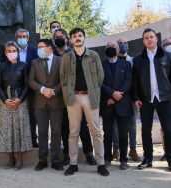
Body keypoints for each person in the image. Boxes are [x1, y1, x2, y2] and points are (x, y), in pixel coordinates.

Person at [60, 27, 109, 176]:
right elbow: (63, 78)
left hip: (90, 97)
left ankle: (100, 163)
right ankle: (73, 163)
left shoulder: (93, 55)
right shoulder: (67, 57)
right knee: (73, 132)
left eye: (80, 35)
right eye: (74, 36)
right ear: (71, 39)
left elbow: (100, 77)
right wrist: (68, 95)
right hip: (73, 98)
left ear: (84, 38)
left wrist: (93, 91)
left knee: (96, 131)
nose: (77, 38)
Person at [53, 28, 96, 166]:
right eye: (56, 37)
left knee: (83, 125)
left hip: (77, 95)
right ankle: (67, 154)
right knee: (66, 126)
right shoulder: (52, 54)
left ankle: (89, 152)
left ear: (67, 38)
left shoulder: (72, 53)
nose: (59, 38)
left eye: (61, 36)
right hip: (59, 96)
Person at [133, 28, 171, 171]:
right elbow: (135, 80)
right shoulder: (138, 59)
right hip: (145, 99)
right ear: (143, 41)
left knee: (168, 129)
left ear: (156, 39)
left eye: (151, 37)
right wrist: (136, 97)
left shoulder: (167, 56)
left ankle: (170, 158)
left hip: (165, 98)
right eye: (146, 38)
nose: (149, 39)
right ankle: (147, 158)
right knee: (145, 129)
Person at [29, 39, 64, 171]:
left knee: (56, 132)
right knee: (42, 132)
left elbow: (64, 79)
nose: (38, 49)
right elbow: (31, 81)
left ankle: (56, 160)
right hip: (40, 102)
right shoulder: (34, 63)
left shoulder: (60, 61)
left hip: (56, 101)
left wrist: (53, 91)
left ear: (49, 47)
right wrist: (43, 90)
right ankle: (42, 160)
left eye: (41, 47)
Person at [0, 41, 32, 170]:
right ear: (5, 53)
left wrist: (20, 99)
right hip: (5, 102)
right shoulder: (1, 66)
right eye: (9, 51)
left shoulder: (24, 65)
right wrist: (5, 100)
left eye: (14, 51)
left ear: (17, 52)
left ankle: (19, 160)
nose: (11, 53)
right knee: (7, 131)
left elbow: (28, 84)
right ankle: (10, 159)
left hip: (20, 102)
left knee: (19, 130)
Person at [101, 41, 132, 170]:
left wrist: (119, 95)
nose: (111, 49)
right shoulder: (101, 65)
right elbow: (100, 83)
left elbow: (128, 81)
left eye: (113, 47)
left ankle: (124, 160)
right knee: (107, 133)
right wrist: (111, 94)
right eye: (108, 47)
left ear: (118, 50)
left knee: (123, 134)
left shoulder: (126, 64)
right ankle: (107, 158)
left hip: (123, 103)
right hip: (108, 103)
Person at [111, 38, 140, 162]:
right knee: (115, 126)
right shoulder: (112, 61)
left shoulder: (133, 61)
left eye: (125, 43)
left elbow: (135, 81)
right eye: (120, 43)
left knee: (132, 125)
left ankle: (133, 149)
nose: (123, 45)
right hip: (116, 97)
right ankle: (116, 150)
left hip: (131, 98)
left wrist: (136, 98)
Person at [15, 28, 39, 148]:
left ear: (28, 38)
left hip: (32, 89)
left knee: (32, 115)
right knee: (18, 115)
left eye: (24, 36)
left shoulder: (35, 51)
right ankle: (19, 140)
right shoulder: (12, 51)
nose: (22, 39)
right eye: (20, 37)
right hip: (17, 89)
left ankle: (33, 139)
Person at [160, 37, 171, 161]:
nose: (168, 46)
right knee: (166, 127)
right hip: (165, 98)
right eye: (166, 44)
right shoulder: (161, 59)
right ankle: (167, 151)